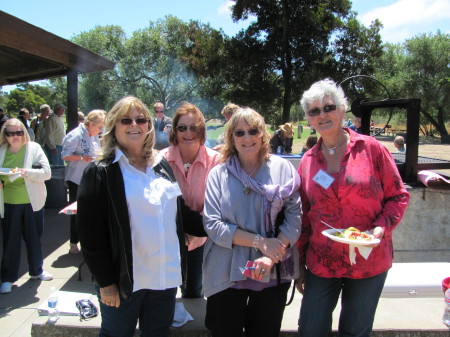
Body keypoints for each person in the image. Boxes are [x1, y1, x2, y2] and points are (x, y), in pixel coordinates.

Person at [296, 79, 410, 337]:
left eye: (328, 107)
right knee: (311, 329)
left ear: (342, 109)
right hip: (322, 260)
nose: (322, 115)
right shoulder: (308, 161)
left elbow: (398, 197)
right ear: (309, 119)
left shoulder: (372, 149)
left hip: (368, 258)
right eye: (314, 111)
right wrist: (298, 263)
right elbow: (304, 216)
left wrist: (380, 230)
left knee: (355, 332)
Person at [77, 96, 193, 337]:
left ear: (149, 125)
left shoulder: (161, 165)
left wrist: (221, 226)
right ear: (113, 125)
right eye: (125, 120)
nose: (134, 124)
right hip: (124, 282)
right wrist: (106, 283)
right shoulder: (100, 171)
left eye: (141, 119)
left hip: (164, 277)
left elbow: (179, 213)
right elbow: (90, 235)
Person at [203, 107, 302, 337]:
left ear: (263, 133)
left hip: (272, 270)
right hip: (225, 272)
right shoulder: (218, 174)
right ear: (231, 138)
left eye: (253, 130)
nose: (247, 138)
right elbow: (213, 225)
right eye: (240, 133)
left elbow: (294, 217)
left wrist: (270, 254)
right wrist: (259, 242)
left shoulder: (283, 169)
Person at [160, 102, 221, 298]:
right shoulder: (160, 161)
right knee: (164, 294)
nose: (188, 132)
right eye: (182, 127)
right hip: (167, 240)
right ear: (175, 131)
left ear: (201, 130)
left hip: (201, 239)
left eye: (193, 127)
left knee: (192, 291)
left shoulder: (216, 162)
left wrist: (196, 232)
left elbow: (218, 204)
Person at [0, 118, 52, 294]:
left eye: (18, 132)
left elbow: (47, 173)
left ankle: (37, 270)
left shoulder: (34, 148)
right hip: (9, 202)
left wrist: (26, 172)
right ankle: (7, 278)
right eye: (10, 133)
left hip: (32, 201)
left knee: (34, 238)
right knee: (10, 241)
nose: (15, 136)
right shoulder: (1, 151)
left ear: (24, 132)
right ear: (5, 135)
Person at [61, 110, 106, 254]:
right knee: (76, 212)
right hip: (76, 179)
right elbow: (65, 156)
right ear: (91, 123)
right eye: (99, 127)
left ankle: (89, 240)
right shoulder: (75, 135)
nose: (101, 130)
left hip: (91, 178)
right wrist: (82, 157)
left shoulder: (94, 135)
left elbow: (97, 151)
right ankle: (74, 242)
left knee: (91, 211)